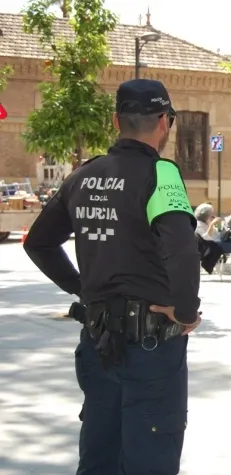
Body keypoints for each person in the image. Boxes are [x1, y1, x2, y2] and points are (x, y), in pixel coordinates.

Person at [23, 79, 201, 475]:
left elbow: (38, 243)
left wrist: (82, 289)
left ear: (117, 121)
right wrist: (186, 310)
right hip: (151, 348)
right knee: (150, 460)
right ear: (164, 122)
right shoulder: (161, 173)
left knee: (98, 457)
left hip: (98, 343)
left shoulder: (83, 176)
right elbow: (183, 249)